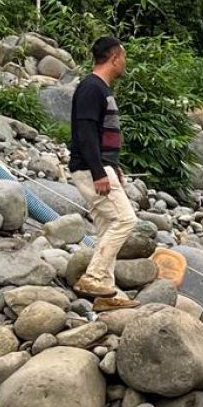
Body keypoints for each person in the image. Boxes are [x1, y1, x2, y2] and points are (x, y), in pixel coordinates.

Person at [69, 36, 137, 309]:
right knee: (125, 220)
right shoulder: (91, 88)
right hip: (90, 168)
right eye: (124, 57)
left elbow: (99, 134)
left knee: (108, 226)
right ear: (115, 57)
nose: (125, 62)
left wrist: (113, 166)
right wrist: (99, 171)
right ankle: (94, 277)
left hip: (100, 166)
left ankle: (105, 295)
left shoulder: (100, 89)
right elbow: (85, 133)